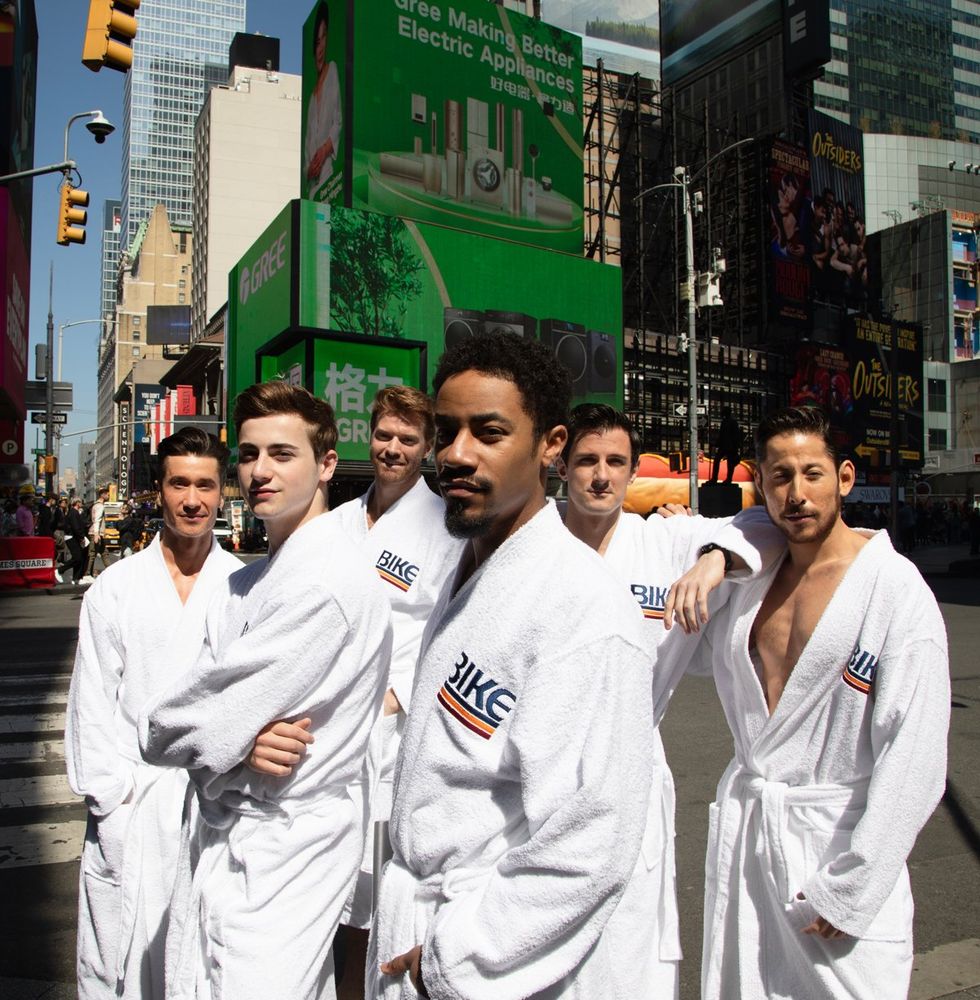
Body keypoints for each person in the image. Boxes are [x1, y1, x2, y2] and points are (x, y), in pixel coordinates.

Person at [369, 332, 654, 999]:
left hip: (486, 957)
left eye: (489, 433)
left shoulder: (584, 609)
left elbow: (593, 841)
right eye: (446, 432)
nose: (456, 456)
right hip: (417, 916)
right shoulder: (460, 566)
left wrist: (457, 956)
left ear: (551, 443)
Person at [682, 406, 950, 1000]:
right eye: (780, 477)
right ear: (761, 484)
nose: (796, 494)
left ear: (845, 478)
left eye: (812, 474)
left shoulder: (893, 590)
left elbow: (916, 755)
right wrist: (712, 553)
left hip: (837, 846)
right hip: (755, 842)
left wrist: (856, 885)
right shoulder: (750, 580)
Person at [140, 381, 392, 1000]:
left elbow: (165, 724)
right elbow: (194, 714)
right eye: (249, 455)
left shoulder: (325, 583)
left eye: (282, 454)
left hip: (286, 843)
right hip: (233, 830)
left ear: (327, 463)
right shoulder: (247, 582)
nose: (259, 471)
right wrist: (236, 741)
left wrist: (220, 737)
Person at [555, 403, 778, 1000]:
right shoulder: (535, 542)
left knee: (630, 944)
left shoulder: (666, 540)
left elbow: (764, 525)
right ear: (562, 466)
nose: (601, 476)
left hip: (632, 767)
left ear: (632, 472)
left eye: (615, 462)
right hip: (545, 769)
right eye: (587, 461)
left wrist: (712, 560)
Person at [65, 427, 242, 999]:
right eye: (180, 484)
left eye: (206, 486)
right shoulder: (115, 589)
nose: (193, 500)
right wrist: (109, 800)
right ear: (159, 489)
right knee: (118, 965)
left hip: (212, 803)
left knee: (205, 966)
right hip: (134, 805)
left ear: (222, 492)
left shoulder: (244, 585)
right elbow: (91, 702)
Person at [328, 386, 463, 982]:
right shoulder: (335, 523)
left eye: (408, 439)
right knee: (334, 894)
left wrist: (399, 695)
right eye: (384, 435)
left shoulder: (443, 528)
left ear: (428, 448)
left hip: (393, 735)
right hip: (329, 729)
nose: (393, 448)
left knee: (388, 890)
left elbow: (452, 628)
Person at [305, 0, 342, 200]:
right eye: (317, 41)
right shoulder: (310, 98)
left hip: (329, 178)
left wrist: (325, 149)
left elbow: (338, 120)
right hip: (312, 189)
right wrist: (309, 169)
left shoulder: (333, 71)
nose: (320, 48)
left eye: (324, 36)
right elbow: (306, 149)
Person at [710, 408, 743, 484]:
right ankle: (714, 478)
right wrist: (716, 444)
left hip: (730, 446)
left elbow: (736, 435)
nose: (722, 414)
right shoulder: (724, 422)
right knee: (717, 460)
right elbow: (721, 435)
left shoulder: (733, 422)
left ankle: (728, 479)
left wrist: (736, 446)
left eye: (723, 413)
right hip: (723, 446)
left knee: (730, 463)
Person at [85, 487, 110, 578]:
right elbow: (97, 520)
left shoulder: (96, 505)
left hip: (98, 534)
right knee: (92, 554)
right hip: (96, 534)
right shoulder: (100, 506)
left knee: (104, 553)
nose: (108, 496)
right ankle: (87, 574)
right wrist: (96, 534)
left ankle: (111, 572)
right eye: (107, 494)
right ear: (102, 495)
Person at [65, 498, 89, 584]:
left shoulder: (75, 512)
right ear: (77, 503)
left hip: (75, 537)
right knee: (77, 557)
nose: (82, 503)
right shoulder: (73, 512)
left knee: (80, 558)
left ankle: (76, 578)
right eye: (80, 502)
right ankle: (60, 570)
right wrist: (82, 537)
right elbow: (76, 527)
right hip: (72, 537)